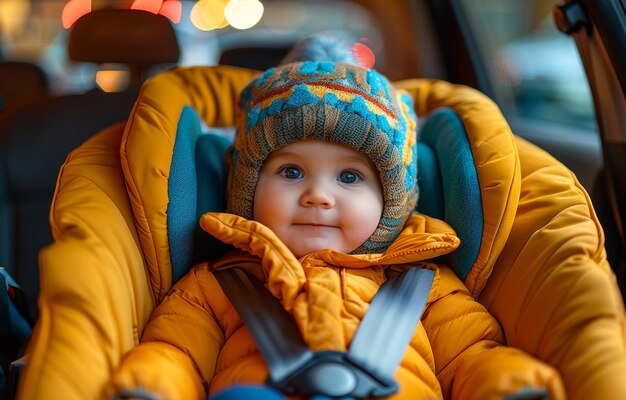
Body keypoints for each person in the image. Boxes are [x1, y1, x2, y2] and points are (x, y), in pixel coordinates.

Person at [108, 34, 565, 399]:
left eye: (349, 177)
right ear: (245, 189)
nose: (317, 196)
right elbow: (176, 353)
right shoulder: (217, 285)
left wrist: (504, 381)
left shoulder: (428, 287)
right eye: (291, 171)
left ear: (392, 200)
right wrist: (156, 382)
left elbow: (471, 357)